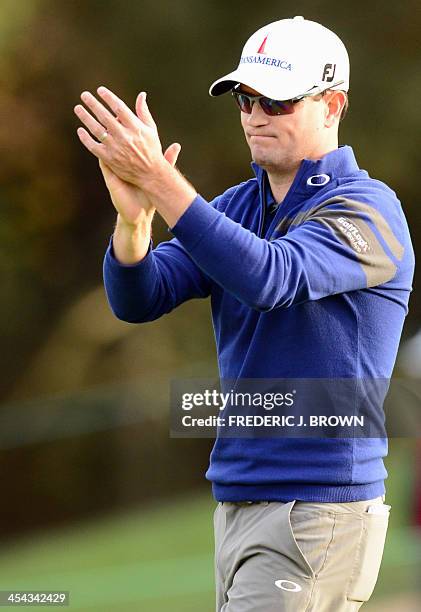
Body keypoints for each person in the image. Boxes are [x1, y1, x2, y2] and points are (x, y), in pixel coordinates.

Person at [74, 15, 414, 612]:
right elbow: (139, 297)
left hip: (318, 507)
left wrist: (160, 179)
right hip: (239, 500)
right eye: (246, 98)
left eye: (277, 101)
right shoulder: (239, 205)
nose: (255, 113)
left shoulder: (369, 209)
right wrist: (134, 222)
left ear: (332, 105)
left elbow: (270, 276)